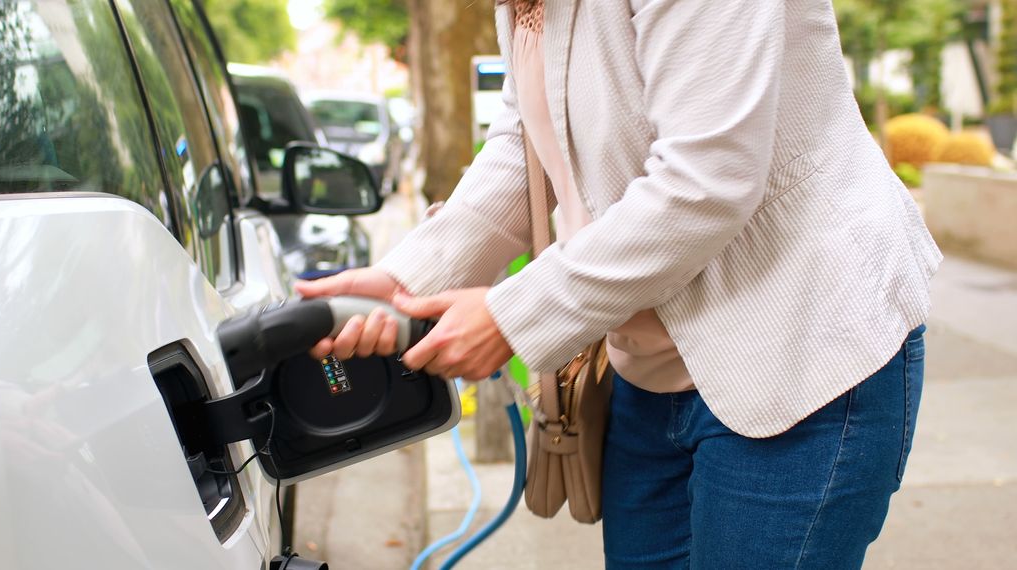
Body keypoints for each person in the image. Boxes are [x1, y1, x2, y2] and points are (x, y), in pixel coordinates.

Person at [296, 1, 942, 568]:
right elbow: (527, 142)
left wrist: (512, 316)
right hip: (653, 371)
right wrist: (406, 280)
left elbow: (706, 180)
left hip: (801, 347)